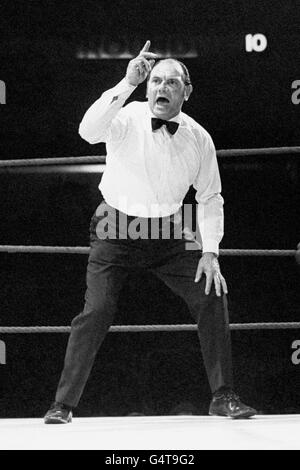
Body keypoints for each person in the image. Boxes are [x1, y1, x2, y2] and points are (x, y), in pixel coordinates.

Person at [44, 40, 256, 424]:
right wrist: (125, 83)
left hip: (172, 229)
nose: (162, 88)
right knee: (97, 310)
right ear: (147, 86)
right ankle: (63, 404)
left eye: (171, 82)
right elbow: (88, 131)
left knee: (212, 293)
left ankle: (223, 395)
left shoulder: (198, 137)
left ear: (186, 91)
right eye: (156, 81)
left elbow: (211, 196)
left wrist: (211, 252)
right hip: (116, 223)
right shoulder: (126, 117)